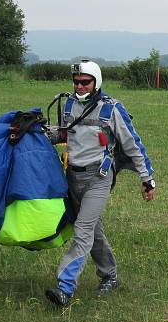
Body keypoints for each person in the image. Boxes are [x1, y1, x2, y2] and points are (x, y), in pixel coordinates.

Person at [44, 60, 156, 306]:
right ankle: (110, 276)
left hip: (99, 179)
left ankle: (65, 288)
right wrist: (39, 132)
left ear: (96, 82)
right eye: (76, 82)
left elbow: (133, 145)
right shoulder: (70, 104)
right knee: (92, 230)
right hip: (72, 177)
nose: (80, 86)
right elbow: (66, 132)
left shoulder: (111, 109)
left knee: (82, 232)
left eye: (85, 82)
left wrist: (147, 179)